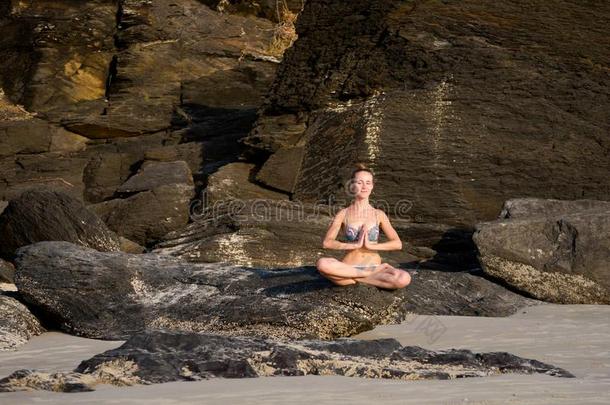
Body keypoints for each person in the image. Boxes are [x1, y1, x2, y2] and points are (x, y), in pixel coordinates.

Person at [316, 163, 412, 289]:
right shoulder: (343, 213)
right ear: (352, 185)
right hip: (348, 267)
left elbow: (397, 244)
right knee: (322, 263)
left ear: (372, 186)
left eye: (368, 183)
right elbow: (327, 243)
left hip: (371, 267)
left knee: (404, 278)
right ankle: (366, 276)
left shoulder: (379, 214)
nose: (364, 186)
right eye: (360, 182)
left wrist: (371, 245)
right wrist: (354, 245)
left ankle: (356, 279)